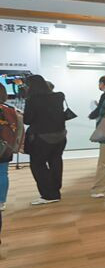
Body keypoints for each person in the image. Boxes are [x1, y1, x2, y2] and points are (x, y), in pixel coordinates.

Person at [22, 74, 68, 205]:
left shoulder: (32, 99)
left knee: (38, 165)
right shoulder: (59, 96)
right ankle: (55, 190)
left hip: (41, 138)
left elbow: (27, 120)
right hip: (60, 136)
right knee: (56, 161)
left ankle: (49, 194)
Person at [0, 87, 25, 213]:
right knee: (3, 173)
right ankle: (1, 202)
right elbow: (19, 130)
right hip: (6, 147)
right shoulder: (10, 110)